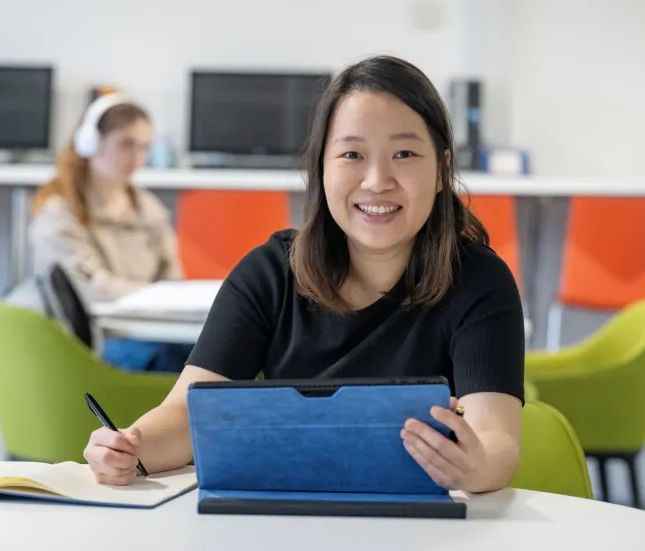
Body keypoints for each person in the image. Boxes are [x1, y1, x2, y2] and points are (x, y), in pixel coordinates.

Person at [83, 55, 525, 494]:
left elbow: (496, 436)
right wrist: (128, 448)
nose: (377, 180)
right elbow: (187, 414)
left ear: (442, 168)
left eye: (404, 153)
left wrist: (476, 466)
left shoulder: (480, 281)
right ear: (320, 166)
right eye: (352, 154)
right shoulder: (271, 272)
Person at [28, 93, 192, 373]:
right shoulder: (58, 214)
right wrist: (153, 296)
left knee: (225, 354)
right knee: (175, 359)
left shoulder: (149, 208)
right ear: (91, 143)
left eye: (144, 147)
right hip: (94, 340)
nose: (137, 158)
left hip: (149, 330)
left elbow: (172, 279)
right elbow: (91, 292)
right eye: (126, 145)